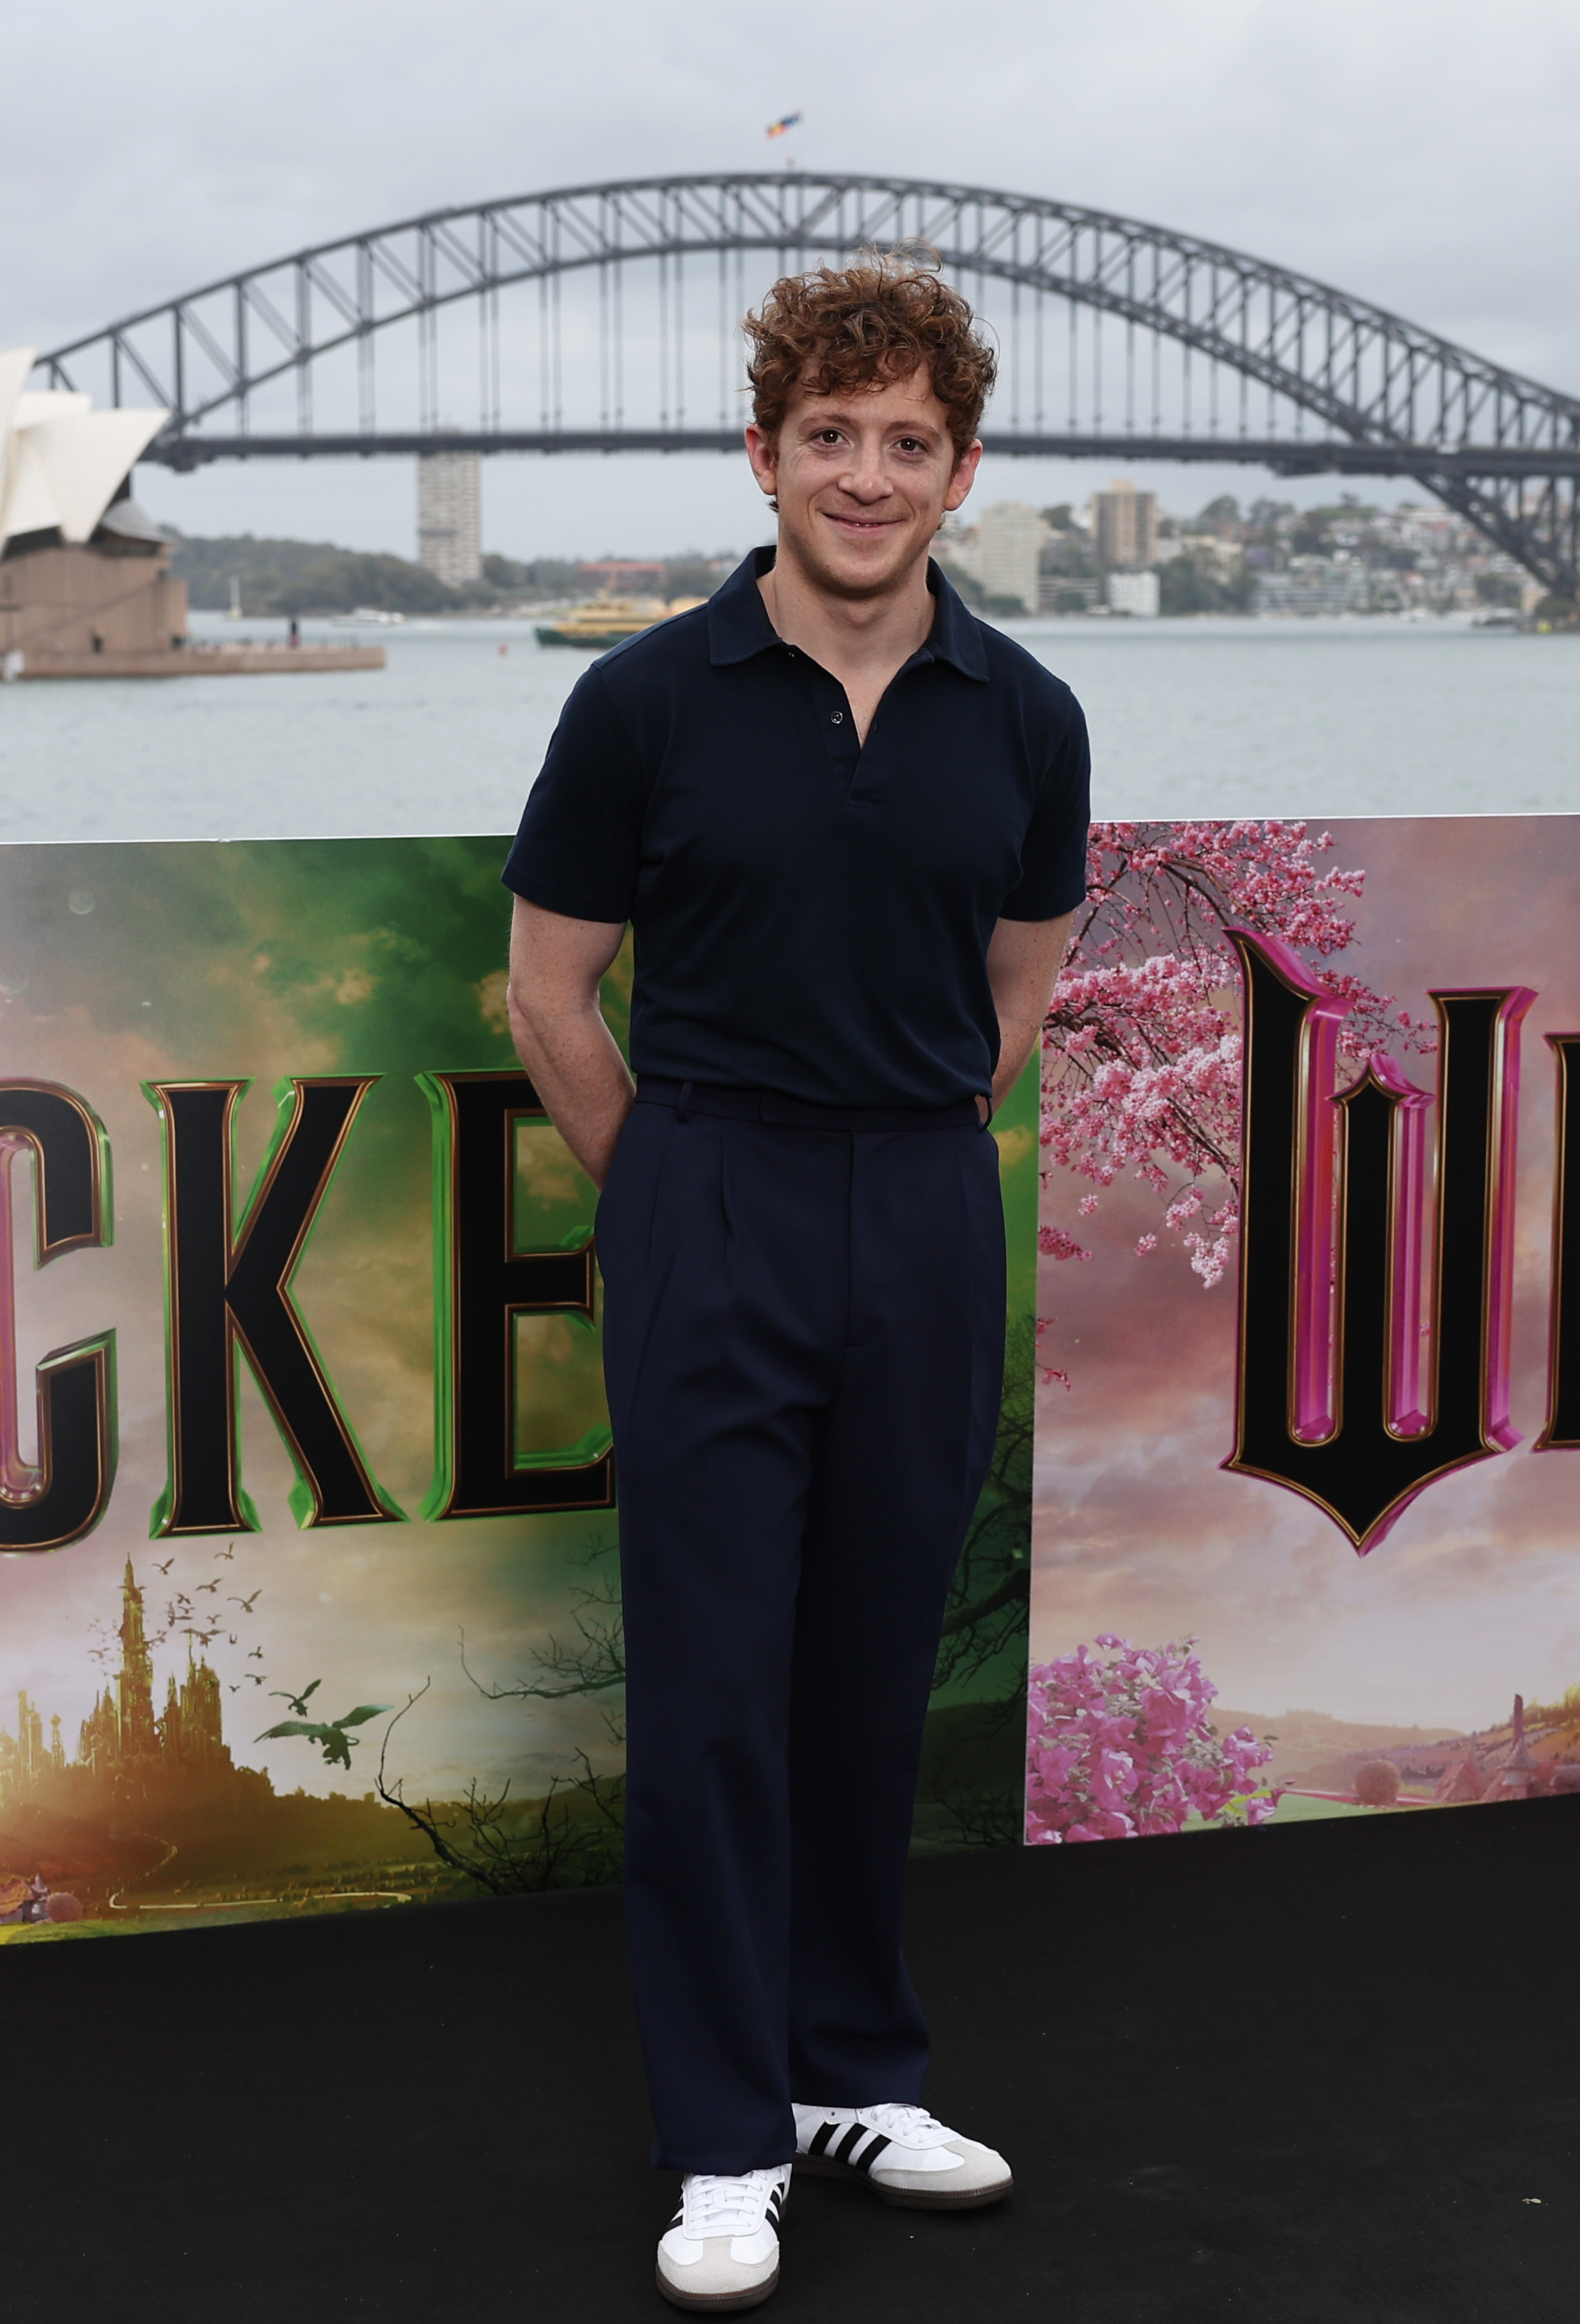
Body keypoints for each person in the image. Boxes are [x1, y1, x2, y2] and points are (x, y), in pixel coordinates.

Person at [502, 254, 1086, 2313]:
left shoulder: (1028, 715)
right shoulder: (644, 699)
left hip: (922, 1209)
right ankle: (724, 2133)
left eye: (905, 441)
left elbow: (1018, 990)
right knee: (712, 1698)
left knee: (866, 1680)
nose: (865, 473)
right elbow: (549, 984)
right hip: (716, 1202)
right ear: (765, 455)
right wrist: (671, 1188)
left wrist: (902, 1141)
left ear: (961, 468)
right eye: (827, 437)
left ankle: (853, 2075)